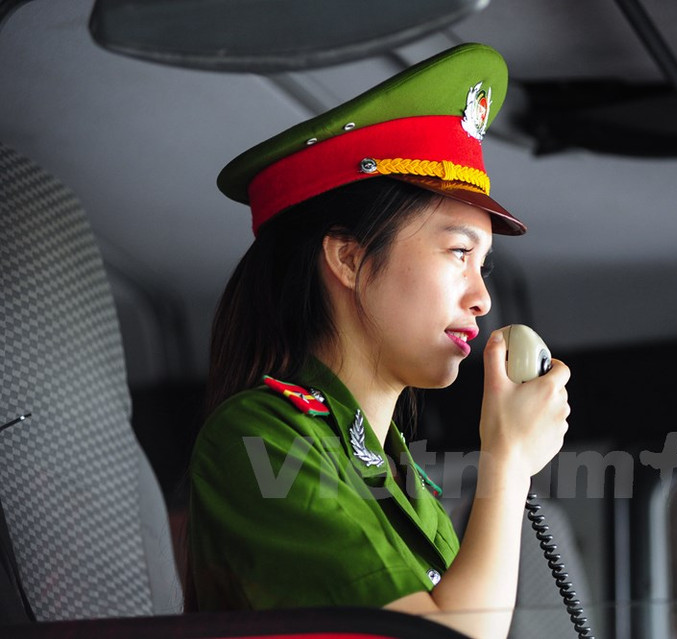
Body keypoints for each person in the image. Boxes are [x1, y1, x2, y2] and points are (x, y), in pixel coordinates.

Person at [188, 43, 571, 639]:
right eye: (460, 253)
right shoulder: (258, 438)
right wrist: (509, 465)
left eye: (484, 265)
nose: (482, 299)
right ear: (349, 257)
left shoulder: (402, 479)